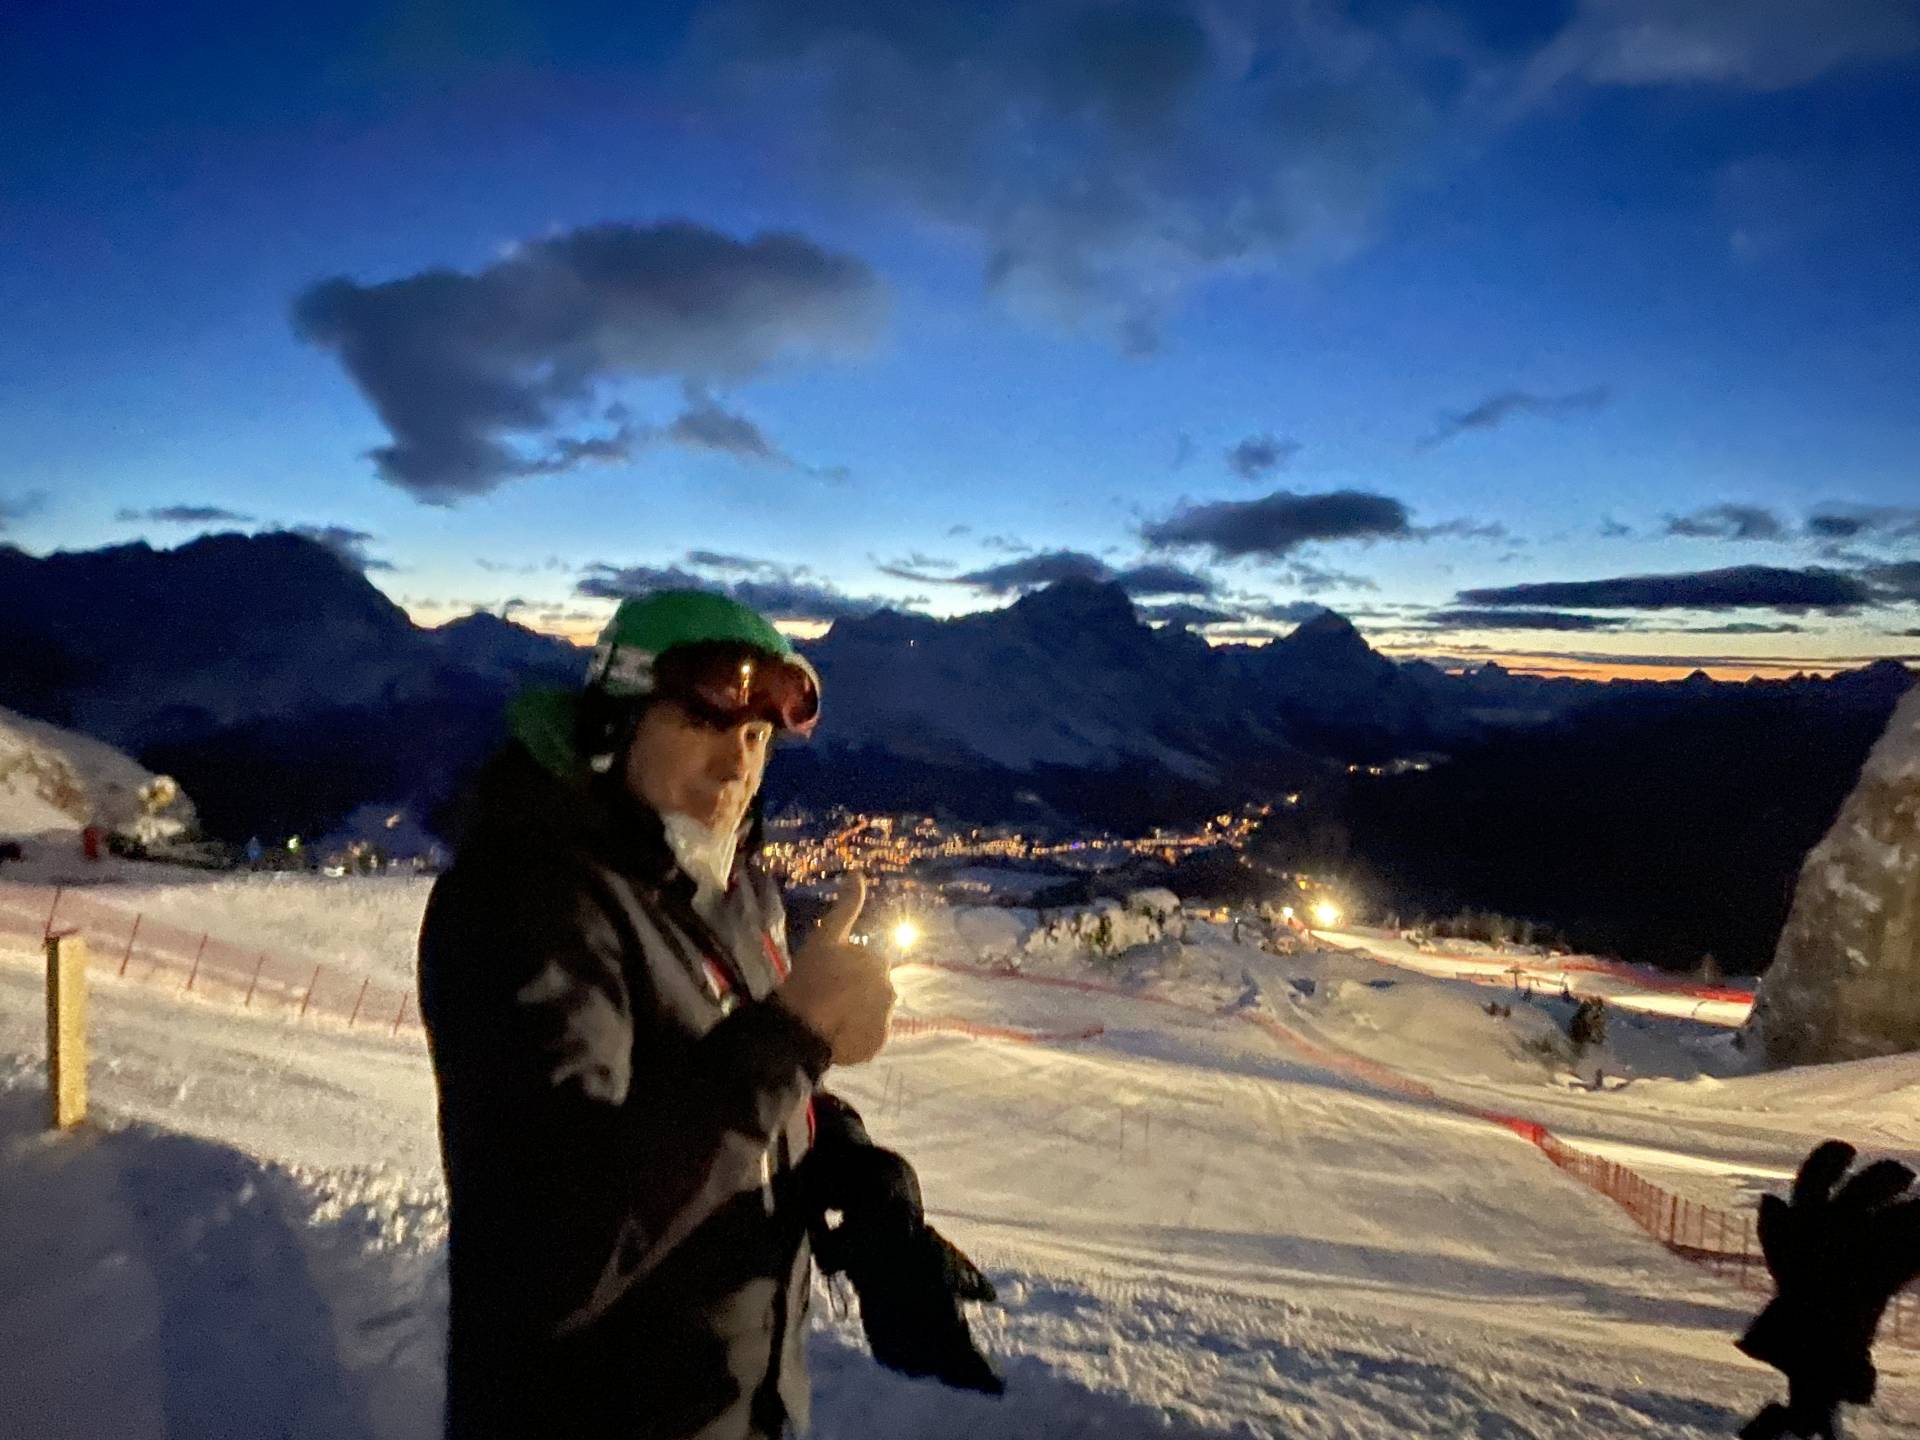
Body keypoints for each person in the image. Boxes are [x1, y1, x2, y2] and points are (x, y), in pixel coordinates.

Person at [417, 591, 899, 1440]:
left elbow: (714, 1081)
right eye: (704, 727)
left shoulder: (731, 889)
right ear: (614, 726)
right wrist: (791, 1032)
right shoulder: (528, 903)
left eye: (756, 738)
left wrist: (856, 1180)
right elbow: (547, 1248)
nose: (737, 768)